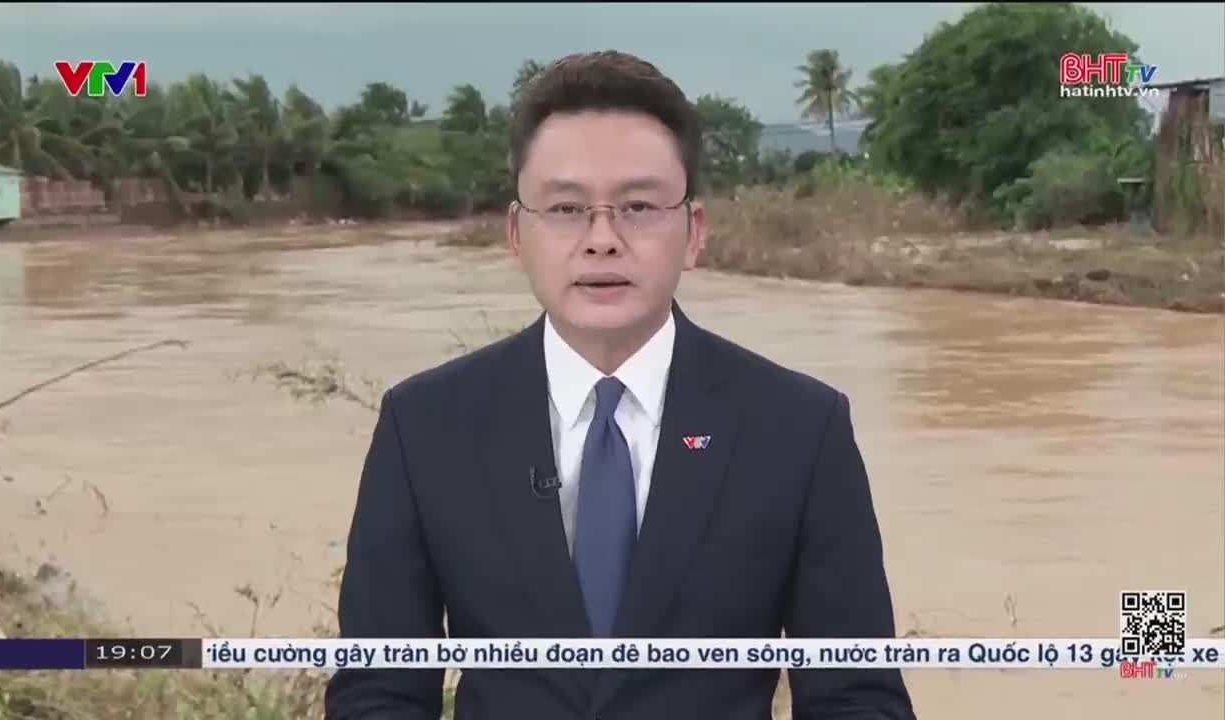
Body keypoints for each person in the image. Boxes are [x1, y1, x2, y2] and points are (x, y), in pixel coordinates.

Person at [325, 50, 915, 720]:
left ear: (693, 233)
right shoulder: (425, 425)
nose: (602, 239)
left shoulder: (799, 430)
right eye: (567, 208)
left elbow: (856, 696)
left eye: (637, 206)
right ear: (517, 234)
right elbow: (379, 691)